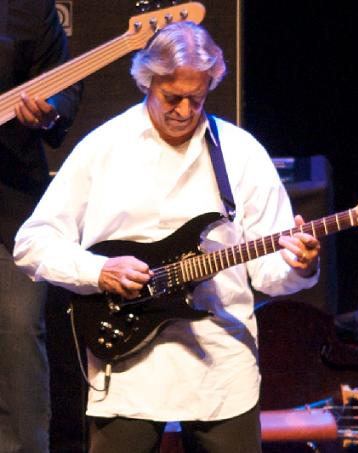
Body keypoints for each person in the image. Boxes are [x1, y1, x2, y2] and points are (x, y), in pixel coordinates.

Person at [13, 21, 320, 453]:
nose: (184, 110)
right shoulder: (104, 147)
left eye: (197, 98)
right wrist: (99, 270)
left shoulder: (241, 152)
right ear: (147, 81)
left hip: (220, 366)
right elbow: (33, 243)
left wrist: (298, 264)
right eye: (171, 97)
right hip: (127, 365)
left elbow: (268, 274)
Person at [0, 0, 82, 451]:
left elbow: (64, 83)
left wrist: (50, 108)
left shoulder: (30, 10)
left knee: (18, 337)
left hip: (9, 206)